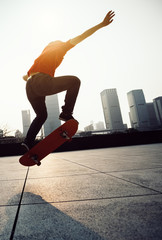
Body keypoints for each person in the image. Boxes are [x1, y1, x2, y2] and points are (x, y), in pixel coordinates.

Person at [22, 10, 115, 151]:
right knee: (75, 81)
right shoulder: (61, 47)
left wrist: (30, 77)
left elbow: (25, 77)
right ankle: (66, 113)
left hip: (30, 86)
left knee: (41, 115)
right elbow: (83, 36)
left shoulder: (40, 56)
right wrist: (101, 24)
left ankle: (28, 142)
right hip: (42, 82)